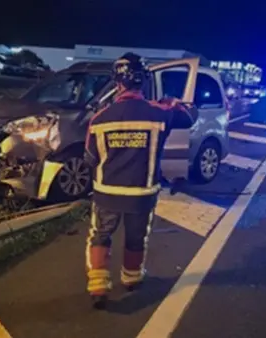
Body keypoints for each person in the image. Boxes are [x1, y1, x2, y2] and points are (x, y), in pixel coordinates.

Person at [83, 53, 198, 309]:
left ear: (117, 83)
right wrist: (173, 101)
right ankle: (132, 278)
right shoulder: (160, 113)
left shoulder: (99, 118)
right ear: (143, 81)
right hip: (142, 194)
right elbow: (191, 117)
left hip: (106, 193)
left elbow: (90, 159)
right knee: (136, 238)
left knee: (100, 236)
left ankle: (99, 287)